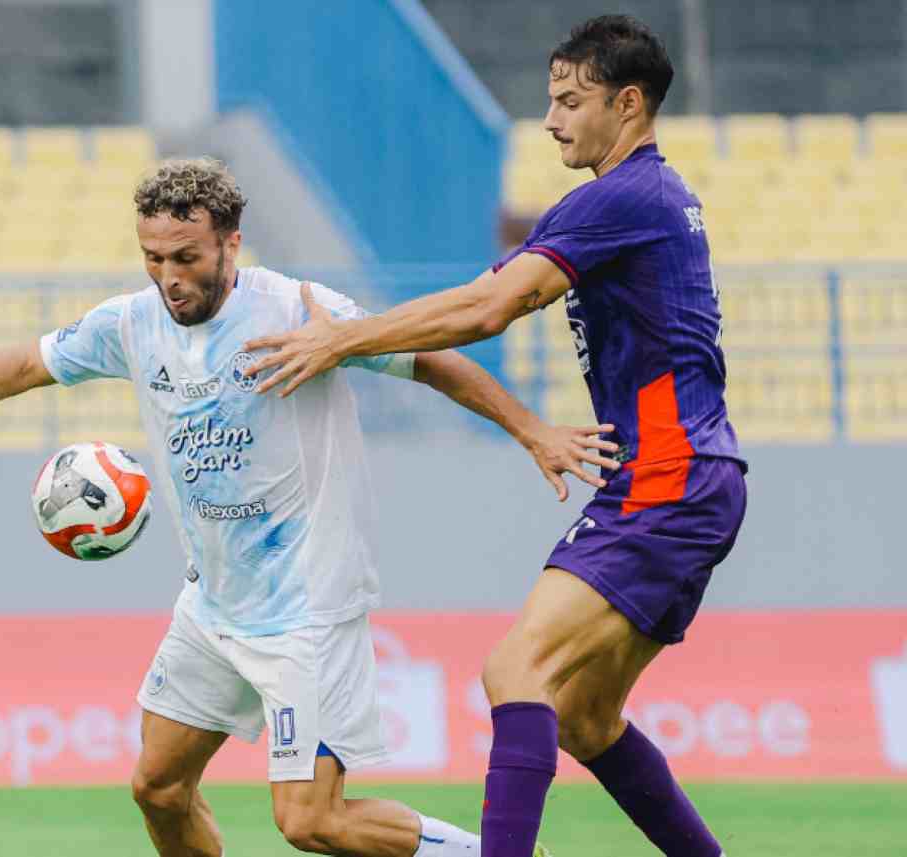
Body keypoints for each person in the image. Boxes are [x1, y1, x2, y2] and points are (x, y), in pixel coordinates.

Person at [0, 157, 608, 857]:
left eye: (185, 257)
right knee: (158, 787)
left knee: (310, 820)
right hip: (215, 607)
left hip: (308, 609)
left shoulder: (297, 309)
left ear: (231, 243)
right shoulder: (132, 322)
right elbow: (31, 363)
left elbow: (428, 360)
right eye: (153, 257)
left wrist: (531, 430)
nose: (168, 276)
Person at [242, 16, 747, 857]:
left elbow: (489, 307)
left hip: (670, 473)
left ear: (628, 103)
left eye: (570, 101)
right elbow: (493, 295)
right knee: (585, 716)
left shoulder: (621, 197)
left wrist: (341, 338)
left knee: (515, 672)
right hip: (687, 473)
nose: (550, 120)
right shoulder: (652, 196)